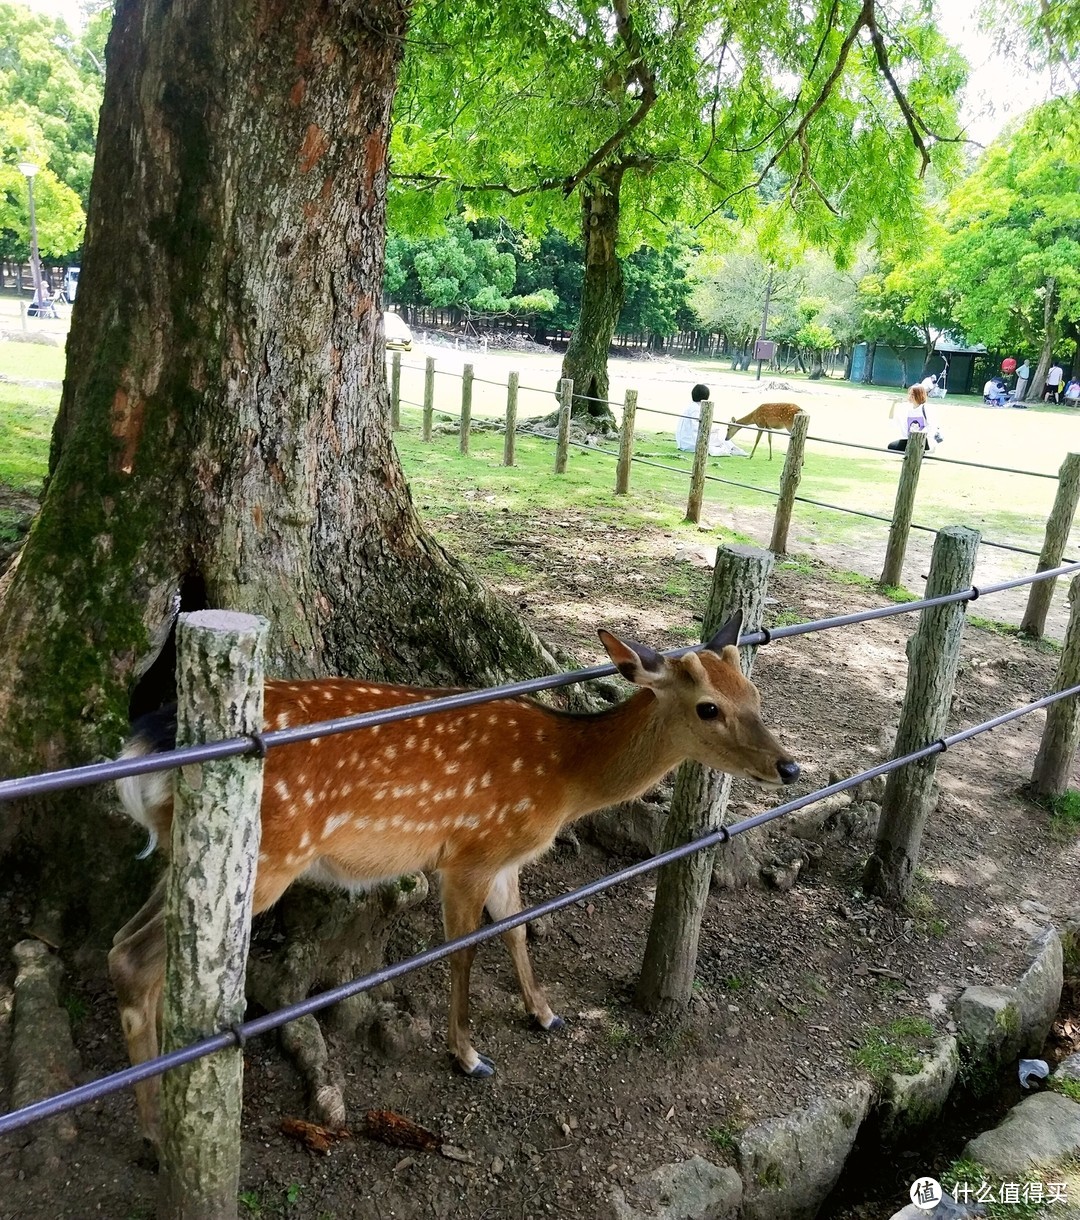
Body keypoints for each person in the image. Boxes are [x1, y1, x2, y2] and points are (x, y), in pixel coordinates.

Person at [675, 383, 741, 456]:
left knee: (718, 434)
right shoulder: (696, 409)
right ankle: (732, 449)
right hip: (690, 442)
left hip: (685, 440)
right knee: (719, 435)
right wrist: (713, 430)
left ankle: (732, 448)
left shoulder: (692, 406)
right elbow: (696, 428)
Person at [888, 384, 942, 452]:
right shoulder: (907, 409)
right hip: (911, 440)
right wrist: (894, 403)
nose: (910, 397)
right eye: (909, 394)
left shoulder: (925, 409)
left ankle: (922, 451)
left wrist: (929, 440)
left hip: (924, 440)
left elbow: (932, 426)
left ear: (919, 395)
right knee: (892, 446)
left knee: (916, 446)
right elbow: (891, 418)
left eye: (912, 394)